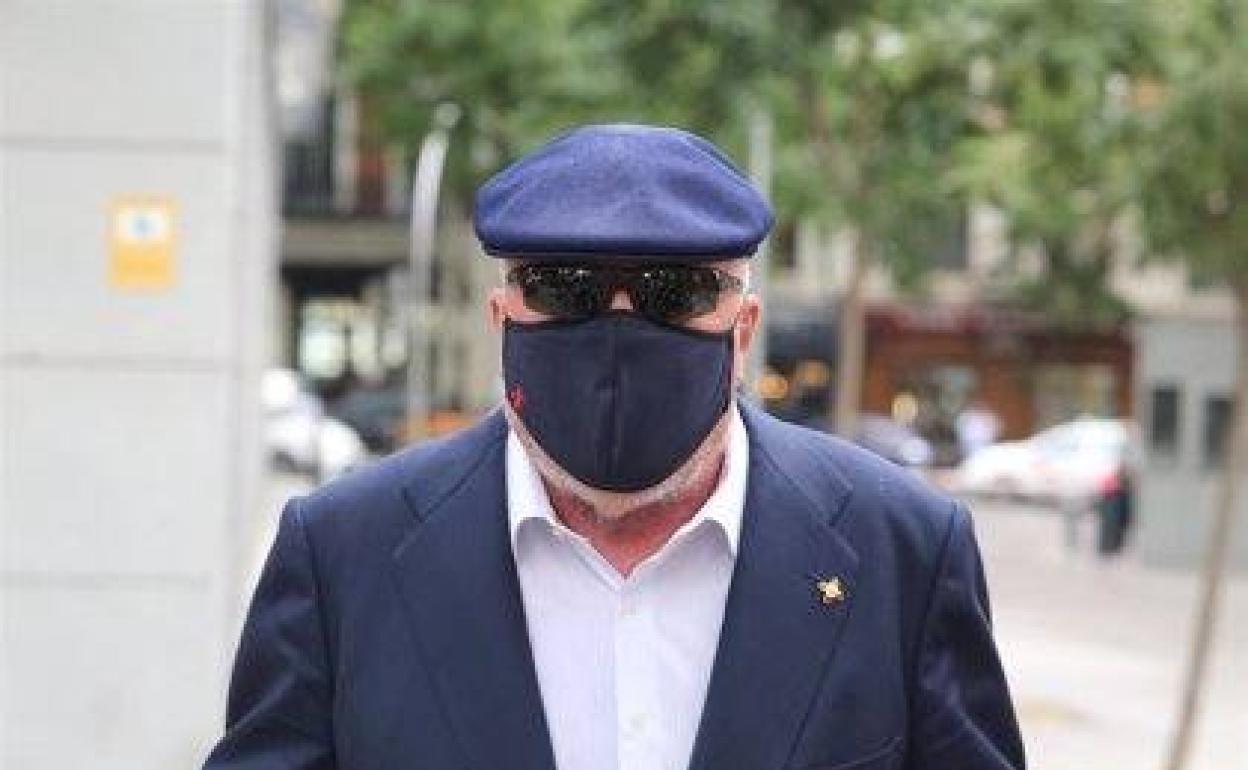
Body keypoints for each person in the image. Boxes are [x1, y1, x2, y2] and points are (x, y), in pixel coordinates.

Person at [203, 124, 1026, 770]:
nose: (619, 330)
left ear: (743, 330)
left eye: (677, 292)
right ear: (501, 320)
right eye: (566, 289)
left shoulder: (903, 552)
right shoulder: (342, 553)